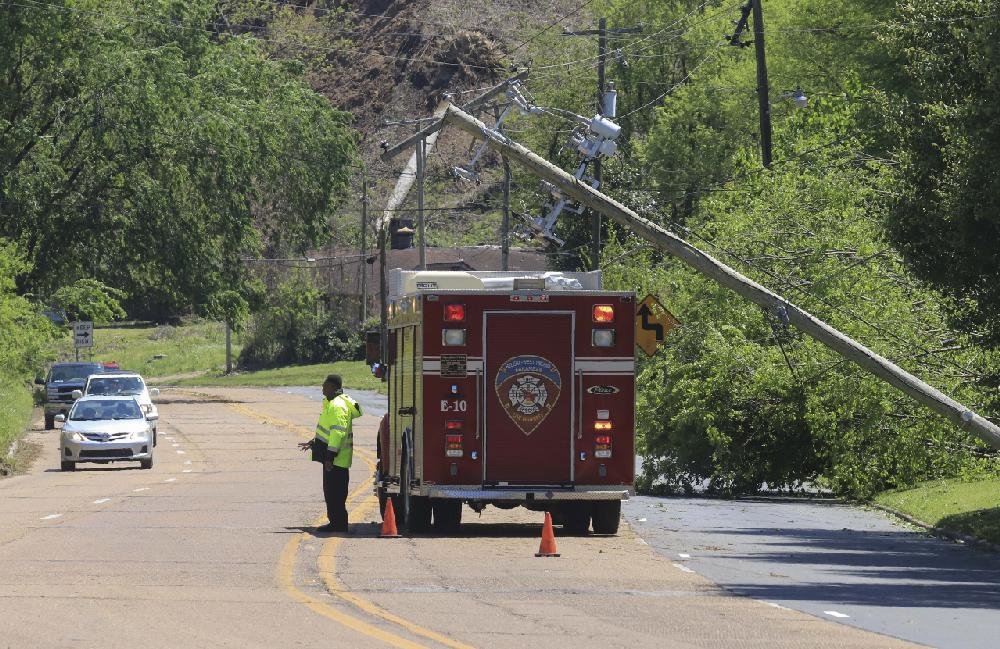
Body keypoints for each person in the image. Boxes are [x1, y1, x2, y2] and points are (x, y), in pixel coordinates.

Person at [298, 374, 363, 533]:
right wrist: (314, 443)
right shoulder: (331, 403)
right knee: (332, 493)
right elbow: (327, 431)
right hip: (335, 459)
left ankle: (338, 524)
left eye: (325, 386)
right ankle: (336, 522)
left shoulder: (337, 406)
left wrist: (330, 457)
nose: (322, 388)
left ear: (333, 388)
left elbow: (337, 434)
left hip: (336, 460)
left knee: (334, 494)